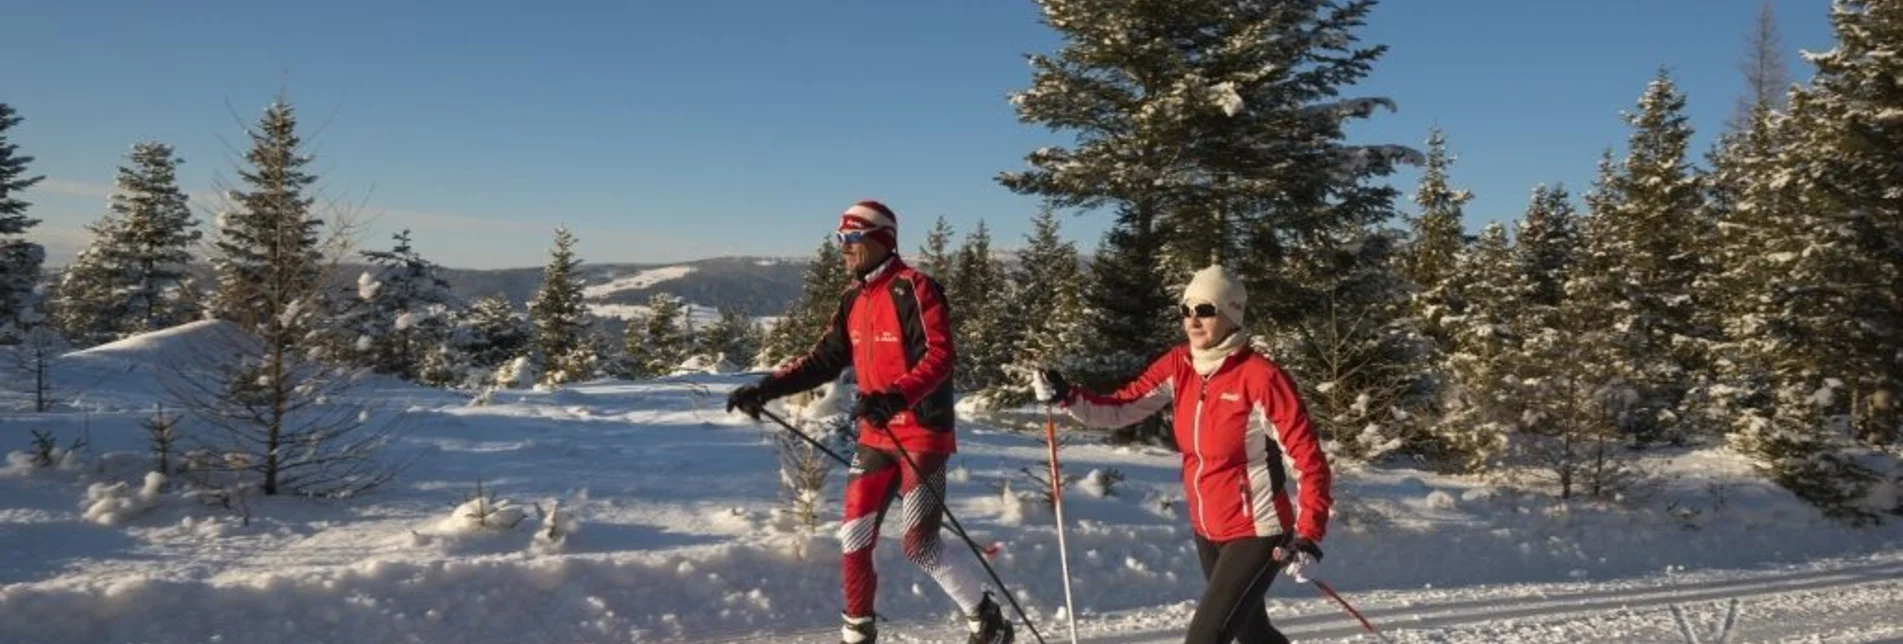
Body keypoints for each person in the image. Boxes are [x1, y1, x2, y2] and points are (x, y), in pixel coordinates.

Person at [727, 200, 1013, 644]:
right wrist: (764, 389)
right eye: (840, 239)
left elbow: (940, 355)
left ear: (882, 240)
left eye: (852, 239)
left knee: (920, 545)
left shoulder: (915, 288)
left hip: (922, 433)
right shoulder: (852, 299)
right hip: (876, 436)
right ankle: (858, 633)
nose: (843, 248)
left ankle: (986, 618)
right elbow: (824, 360)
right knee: (853, 536)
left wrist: (896, 396)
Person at [1031, 265, 1332, 644]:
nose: (1193, 319)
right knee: (1253, 631)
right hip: (1208, 526)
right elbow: (1123, 407)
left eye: (1204, 309)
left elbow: (1307, 458)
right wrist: (1067, 397)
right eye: (1186, 309)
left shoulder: (1260, 377)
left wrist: (1307, 533)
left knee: (1205, 638)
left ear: (1231, 313)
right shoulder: (1180, 364)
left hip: (1257, 528)